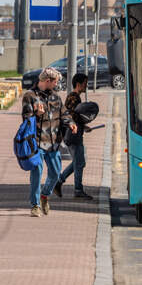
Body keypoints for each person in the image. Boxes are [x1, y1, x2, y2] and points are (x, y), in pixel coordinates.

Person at [22, 67, 76, 217]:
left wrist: (70, 122)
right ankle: (35, 205)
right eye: (56, 82)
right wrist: (36, 114)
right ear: (48, 81)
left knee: (55, 173)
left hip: (53, 144)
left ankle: (44, 196)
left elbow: (64, 113)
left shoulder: (56, 97)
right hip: (37, 142)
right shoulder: (30, 96)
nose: (57, 85)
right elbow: (26, 119)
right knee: (37, 172)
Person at [53, 74, 93, 200]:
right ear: (78, 84)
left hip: (75, 134)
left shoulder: (74, 97)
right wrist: (79, 125)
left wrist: (83, 126)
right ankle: (77, 190)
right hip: (72, 135)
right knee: (79, 163)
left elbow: (75, 117)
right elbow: (69, 115)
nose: (86, 85)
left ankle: (59, 181)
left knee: (78, 162)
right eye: (85, 82)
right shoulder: (74, 98)